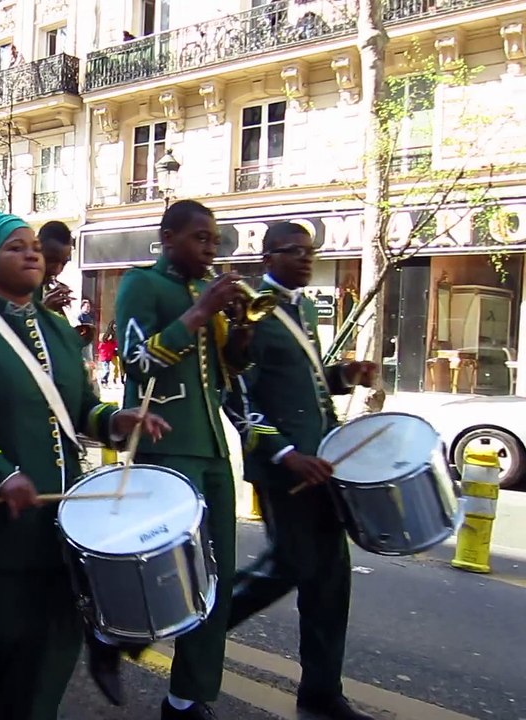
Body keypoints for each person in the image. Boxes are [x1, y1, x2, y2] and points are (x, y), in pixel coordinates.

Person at [0, 211, 170, 720]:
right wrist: (0, 473)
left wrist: (116, 421)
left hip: (62, 515)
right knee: (0, 635)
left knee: (55, 634)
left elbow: (78, 410)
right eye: (15, 247)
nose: (32, 253)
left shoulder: (58, 329)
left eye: (33, 245)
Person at [224, 223, 378, 720]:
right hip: (284, 468)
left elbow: (304, 386)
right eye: (293, 252)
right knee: (286, 566)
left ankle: (321, 691)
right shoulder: (251, 310)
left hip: (322, 463)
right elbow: (238, 399)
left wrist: (343, 376)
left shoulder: (303, 308)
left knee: (331, 579)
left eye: (310, 252)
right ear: (267, 256)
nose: (306, 260)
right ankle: (201, 628)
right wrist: (285, 453)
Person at [111, 199, 252, 719]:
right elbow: (137, 358)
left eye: (214, 240)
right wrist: (199, 314)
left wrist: (240, 327)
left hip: (212, 446)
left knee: (217, 576)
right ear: (168, 238)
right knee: (168, 575)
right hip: (165, 443)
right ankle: (112, 638)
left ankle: (188, 696)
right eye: (200, 238)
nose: (210, 248)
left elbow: (230, 370)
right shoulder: (141, 284)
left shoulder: (203, 292)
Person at [37, 220, 75, 314]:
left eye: (64, 263)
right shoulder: (17, 288)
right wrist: (44, 310)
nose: (57, 270)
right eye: (51, 260)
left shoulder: (45, 288)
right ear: (35, 248)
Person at [97, 323, 119, 387]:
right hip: (104, 358)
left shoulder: (111, 343)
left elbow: (116, 345)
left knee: (109, 370)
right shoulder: (103, 344)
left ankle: (105, 381)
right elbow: (99, 348)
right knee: (107, 371)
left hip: (108, 358)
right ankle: (103, 380)